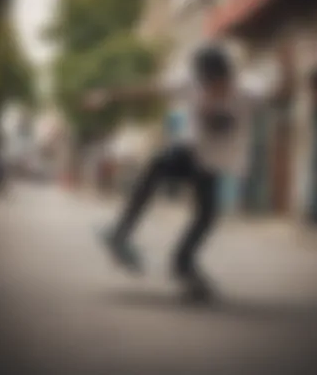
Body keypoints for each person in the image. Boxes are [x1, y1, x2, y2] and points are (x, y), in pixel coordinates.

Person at [85, 45, 251, 301]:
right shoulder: (191, 83)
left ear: (228, 78)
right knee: (157, 165)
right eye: (206, 86)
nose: (211, 93)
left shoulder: (247, 92)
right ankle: (121, 232)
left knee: (207, 216)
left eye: (218, 86)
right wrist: (107, 94)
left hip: (216, 164)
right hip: (191, 152)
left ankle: (182, 262)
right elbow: (149, 90)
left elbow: (278, 89)